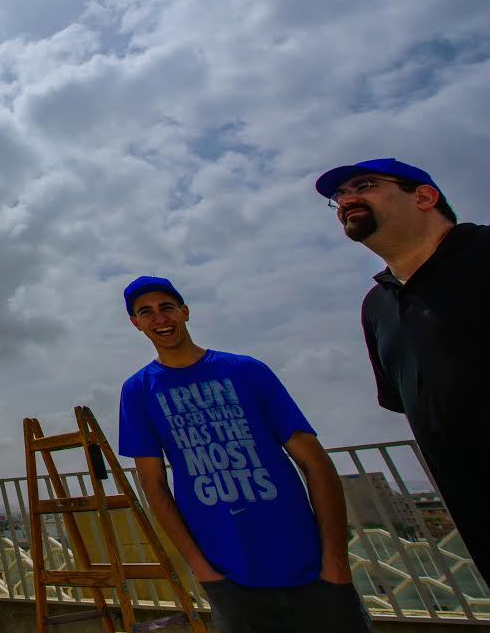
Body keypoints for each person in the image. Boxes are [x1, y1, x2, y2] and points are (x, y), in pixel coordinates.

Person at [116, 275, 370, 633]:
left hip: (310, 567)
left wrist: (336, 561)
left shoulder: (246, 371)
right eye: (146, 312)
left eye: (167, 307)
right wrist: (202, 569)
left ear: (185, 312)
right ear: (135, 323)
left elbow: (314, 462)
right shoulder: (138, 391)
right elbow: (153, 485)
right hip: (229, 576)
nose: (160, 319)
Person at [316, 157, 489, 574]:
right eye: (340, 196)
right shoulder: (377, 307)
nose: (346, 200)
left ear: (424, 197)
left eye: (365, 185)